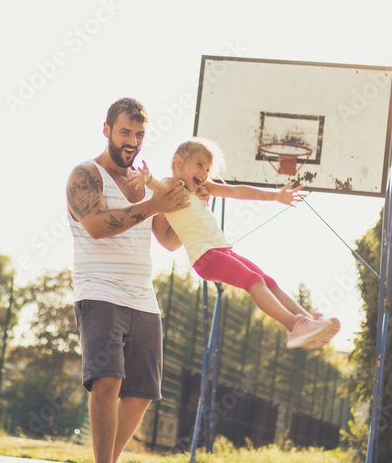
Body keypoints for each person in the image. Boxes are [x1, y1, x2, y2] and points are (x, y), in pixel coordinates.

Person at [62, 97, 191, 463]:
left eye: (139, 133)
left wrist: (188, 209)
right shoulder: (87, 174)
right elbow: (98, 226)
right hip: (99, 289)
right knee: (107, 379)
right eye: (124, 132)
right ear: (106, 130)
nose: (132, 140)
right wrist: (153, 203)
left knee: (141, 390)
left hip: (143, 297)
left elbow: (167, 240)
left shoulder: (142, 179)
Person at [137, 137, 340, 350]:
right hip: (205, 257)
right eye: (199, 165)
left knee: (267, 280)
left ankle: (306, 319)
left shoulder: (201, 189)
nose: (204, 173)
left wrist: (275, 196)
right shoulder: (173, 185)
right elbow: (159, 186)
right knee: (253, 281)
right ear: (178, 163)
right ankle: (293, 326)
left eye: (207, 169)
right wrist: (148, 179)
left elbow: (236, 191)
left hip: (222, 251)